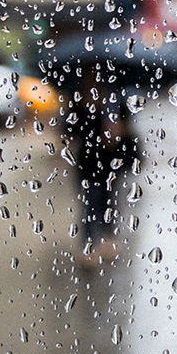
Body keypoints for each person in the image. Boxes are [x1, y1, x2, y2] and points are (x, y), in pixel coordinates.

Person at [64, 63, 139, 266]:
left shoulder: (115, 100)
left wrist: (119, 130)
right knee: (89, 201)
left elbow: (129, 127)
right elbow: (70, 128)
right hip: (87, 161)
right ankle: (88, 244)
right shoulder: (79, 101)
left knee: (109, 199)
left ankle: (107, 237)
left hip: (110, 160)